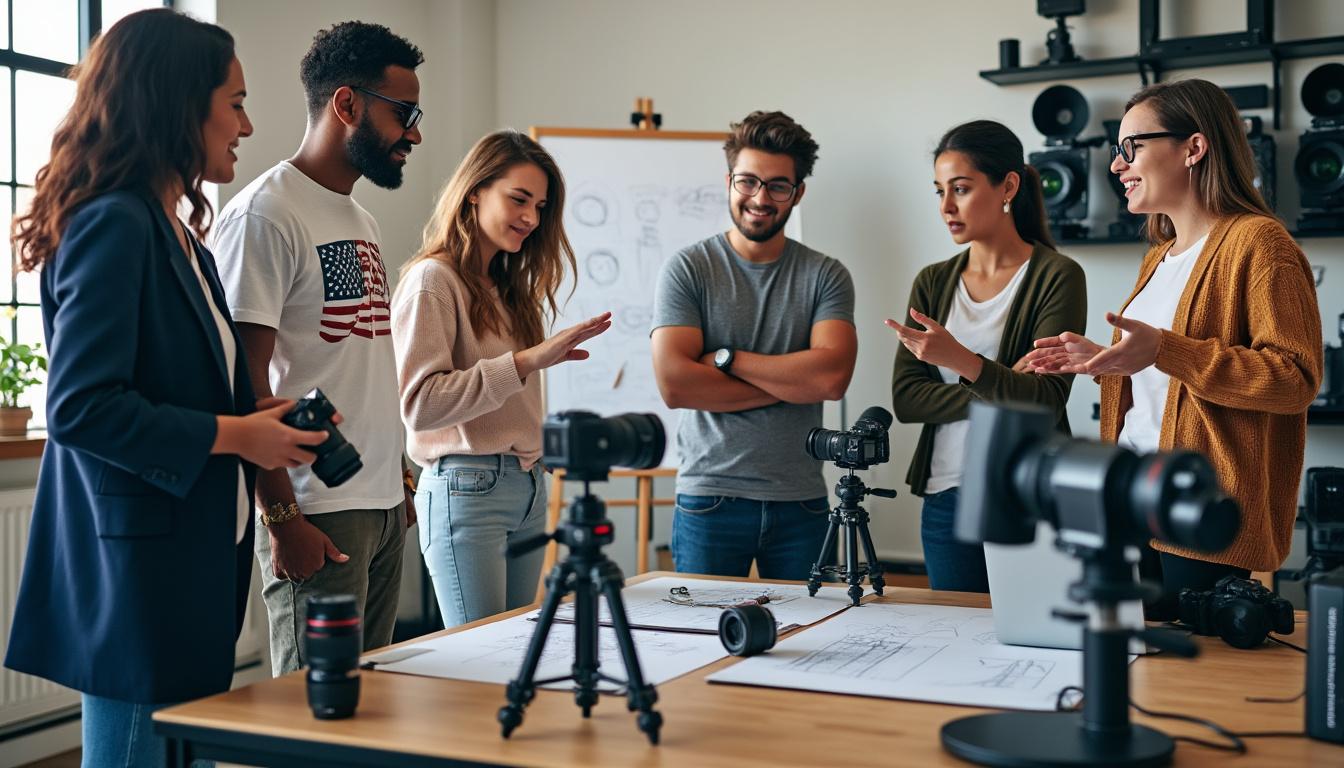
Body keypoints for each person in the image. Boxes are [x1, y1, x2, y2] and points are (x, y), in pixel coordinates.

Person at [3, 10, 326, 766]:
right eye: (236, 101)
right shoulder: (113, 222)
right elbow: (81, 407)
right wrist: (236, 434)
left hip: (191, 557)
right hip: (138, 576)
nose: (247, 124)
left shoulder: (183, 235)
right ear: (179, 104)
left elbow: (174, 387)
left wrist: (257, 417)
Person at [1025, 79, 1322, 616]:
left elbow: (1294, 379)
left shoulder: (1259, 243)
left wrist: (1163, 349)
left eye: (1131, 148)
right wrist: (1103, 360)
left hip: (1204, 507)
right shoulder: (1158, 257)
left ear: (1194, 147)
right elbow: (1160, 376)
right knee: (1140, 671)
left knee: (1199, 681)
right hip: (1134, 495)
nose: (1117, 166)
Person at [210, 21, 424, 674]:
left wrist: (399, 478)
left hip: (382, 506)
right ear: (348, 105)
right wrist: (280, 517)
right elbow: (246, 385)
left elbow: (355, 358)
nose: (414, 134)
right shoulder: (263, 216)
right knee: (314, 722)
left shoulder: (356, 217)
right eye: (404, 114)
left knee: (370, 714)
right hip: (316, 510)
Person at [392, 130, 610, 627]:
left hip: (528, 487)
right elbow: (420, 405)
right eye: (518, 199)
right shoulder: (433, 281)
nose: (531, 218)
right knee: (481, 666)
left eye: (540, 206)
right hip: (467, 490)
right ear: (475, 190)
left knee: (514, 656)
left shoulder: (509, 289)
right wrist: (527, 362)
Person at [650, 110, 857, 580]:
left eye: (778, 186)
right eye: (748, 182)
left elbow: (830, 378)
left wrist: (727, 361)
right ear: (728, 181)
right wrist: (792, 383)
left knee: (812, 645)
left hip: (800, 501)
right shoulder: (688, 269)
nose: (760, 198)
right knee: (698, 640)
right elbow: (677, 385)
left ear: (797, 193)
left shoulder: (825, 275)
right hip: (710, 498)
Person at [887, 120, 1087, 593]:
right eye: (939, 191)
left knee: (1038, 650)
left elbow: (1044, 401)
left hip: (1028, 495)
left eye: (960, 188)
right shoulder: (932, 282)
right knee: (954, 650)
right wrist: (997, 384)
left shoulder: (1057, 276)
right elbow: (907, 400)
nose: (946, 207)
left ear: (1008, 186)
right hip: (945, 500)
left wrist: (960, 359)